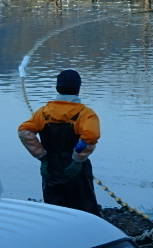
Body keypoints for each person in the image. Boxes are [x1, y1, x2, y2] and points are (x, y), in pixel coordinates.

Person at [17, 69, 101, 216]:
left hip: (51, 166)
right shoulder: (85, 114)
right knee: (84, 207)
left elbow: (24, 132)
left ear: (57, 88)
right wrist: (76, 160)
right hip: (76, 170)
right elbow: (89, 137)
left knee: (54, 209)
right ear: (78, 89)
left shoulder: (43, 113)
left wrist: (42, 157)